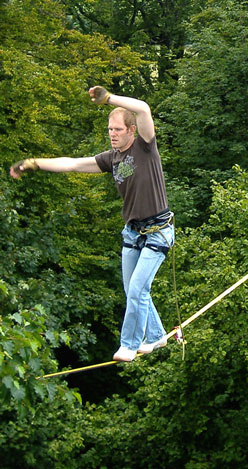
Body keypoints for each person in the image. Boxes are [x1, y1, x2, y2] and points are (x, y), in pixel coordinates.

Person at [10, 86, 174, 362]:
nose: (112, 133)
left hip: (158, 230)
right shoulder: (111, 159)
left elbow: (143, 108)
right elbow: (73, 164)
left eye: (117, 129)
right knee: (133, 290)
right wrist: (35, 163)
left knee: (137, 290)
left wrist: (108, 98)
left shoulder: (145, 146)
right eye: (109, 129)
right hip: (133, 234)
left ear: (131, 130)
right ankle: (156, 335)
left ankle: (129, 345)